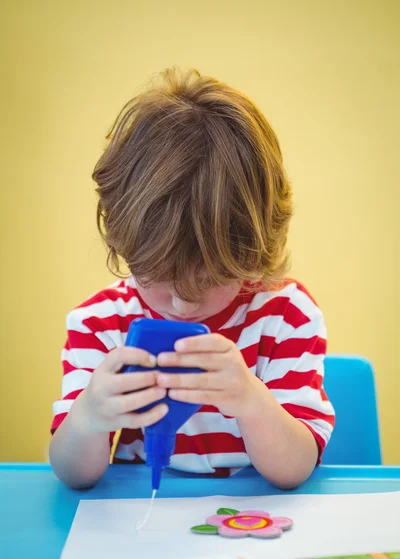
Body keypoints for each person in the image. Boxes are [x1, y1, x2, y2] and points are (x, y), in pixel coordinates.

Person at [49, 68, 335, 490]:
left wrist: (249, 400)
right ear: (126, 245)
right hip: (139, 517)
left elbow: (293, 471)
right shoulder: (100, 323)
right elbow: (74, 475)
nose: (182, 306)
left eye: (210, 279)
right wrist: (91, 414)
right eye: (160, 277)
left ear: (252, 256)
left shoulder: (285, 316)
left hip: (250, 517)